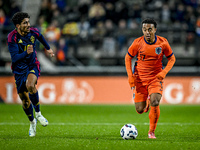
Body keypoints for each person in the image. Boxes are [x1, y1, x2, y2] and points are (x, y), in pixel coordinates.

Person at [125, 18, 176, 139]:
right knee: (140, 110)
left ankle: (151, 132)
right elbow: (127, 58)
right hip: (139, 79)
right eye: (144, 29)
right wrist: (130, 77)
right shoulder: (137, 43)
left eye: (149, 29)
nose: (147, 32)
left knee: (155, 101)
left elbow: (172, 59)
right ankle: (146, 100)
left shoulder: (163, 43)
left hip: (155, 78)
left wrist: (163, 73)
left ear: (155, 30)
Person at [7, 12, 54, 137]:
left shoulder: (33, 31)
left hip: (33, 65)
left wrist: (48, 48)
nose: (28, 25)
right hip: (19, 70)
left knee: (31, 85)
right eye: (25, 23)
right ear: (18, 25)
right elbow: (14, 57)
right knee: (25, 100)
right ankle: (32, 122)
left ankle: (38, 114)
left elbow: (41, 37)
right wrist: (26, 53)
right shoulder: (12, 37)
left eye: (28, 22)